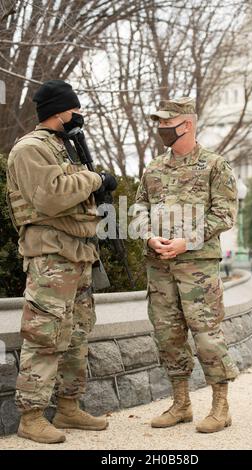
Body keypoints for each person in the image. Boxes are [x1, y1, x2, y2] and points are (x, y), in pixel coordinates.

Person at [6, 79, 117, 444]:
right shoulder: (30, 149)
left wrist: (97, 190)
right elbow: (50, 197)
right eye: (75, 109)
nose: (79, 115)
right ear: (60, 111)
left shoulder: (63, 147)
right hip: (51, 256)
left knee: (76, 335)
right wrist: (93, 178)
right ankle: (32, 416)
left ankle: (68, 406)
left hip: (79, 253)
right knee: (45, 335)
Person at [134, 97, 239, 433]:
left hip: (198, 270)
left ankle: (221, 407)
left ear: (187, 124)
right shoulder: (153, 168)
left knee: (207, 336)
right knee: (168, 336)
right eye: (160, 123)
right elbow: (138, 209)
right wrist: (149, 237)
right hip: (160, 268)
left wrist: (187, 241)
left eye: (167, 123)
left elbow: (224, 214)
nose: (162, 129)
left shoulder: (214, 166)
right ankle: (181, 404)